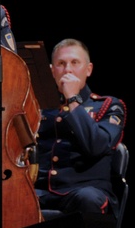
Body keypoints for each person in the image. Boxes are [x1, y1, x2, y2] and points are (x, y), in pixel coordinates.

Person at [33, 38, 126, 217]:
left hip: (83, 190)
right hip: (40, 191)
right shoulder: (37, 107)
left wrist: (73, 98)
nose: (67, 69)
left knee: (88, 198)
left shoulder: (109, 105)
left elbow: (96, 146)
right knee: (1, 197)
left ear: (88, 69)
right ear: (52, 71)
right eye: (61, 64)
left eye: (75, 63)